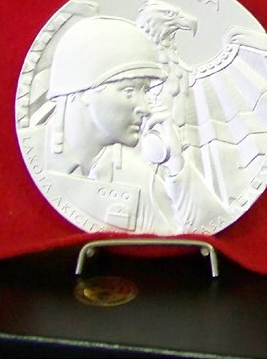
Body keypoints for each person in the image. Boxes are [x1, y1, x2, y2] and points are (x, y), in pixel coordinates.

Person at [20, 15, 230, 235]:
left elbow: (204, 230)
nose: (145, 108)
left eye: (145, 91)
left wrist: (176, 164)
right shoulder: (25, 156)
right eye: (129, 91)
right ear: (84, 91)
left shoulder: (138, 178)